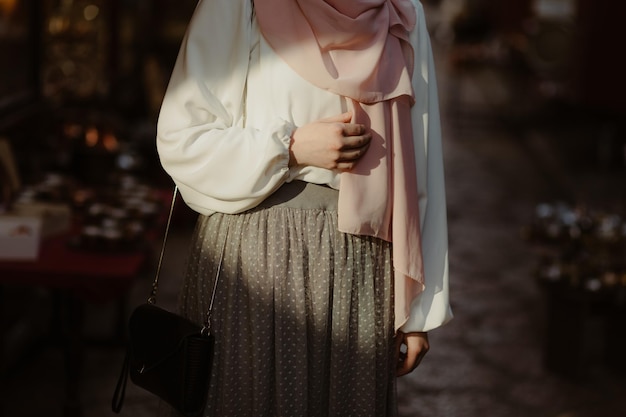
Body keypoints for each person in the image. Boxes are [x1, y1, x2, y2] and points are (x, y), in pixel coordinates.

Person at [156, 0, 452, 415]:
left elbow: (421, 166)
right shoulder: (238, 4)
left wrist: (419, 312)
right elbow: (181, 137)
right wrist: (290, 148)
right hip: (254, 262)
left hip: (360, 271)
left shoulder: (402, 13)